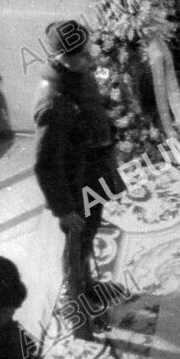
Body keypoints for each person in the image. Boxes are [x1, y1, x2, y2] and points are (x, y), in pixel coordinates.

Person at [33, 20, 124, 336]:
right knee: (76, 249)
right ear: (61, 57)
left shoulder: (77, 75)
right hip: (74, 189)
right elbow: (45, 164)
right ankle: (78, 315)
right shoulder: (54, 101)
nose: (90, 59)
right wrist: (64, 209)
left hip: (92, 174)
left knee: (88, 237)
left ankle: (87, 286)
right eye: (82, 55)